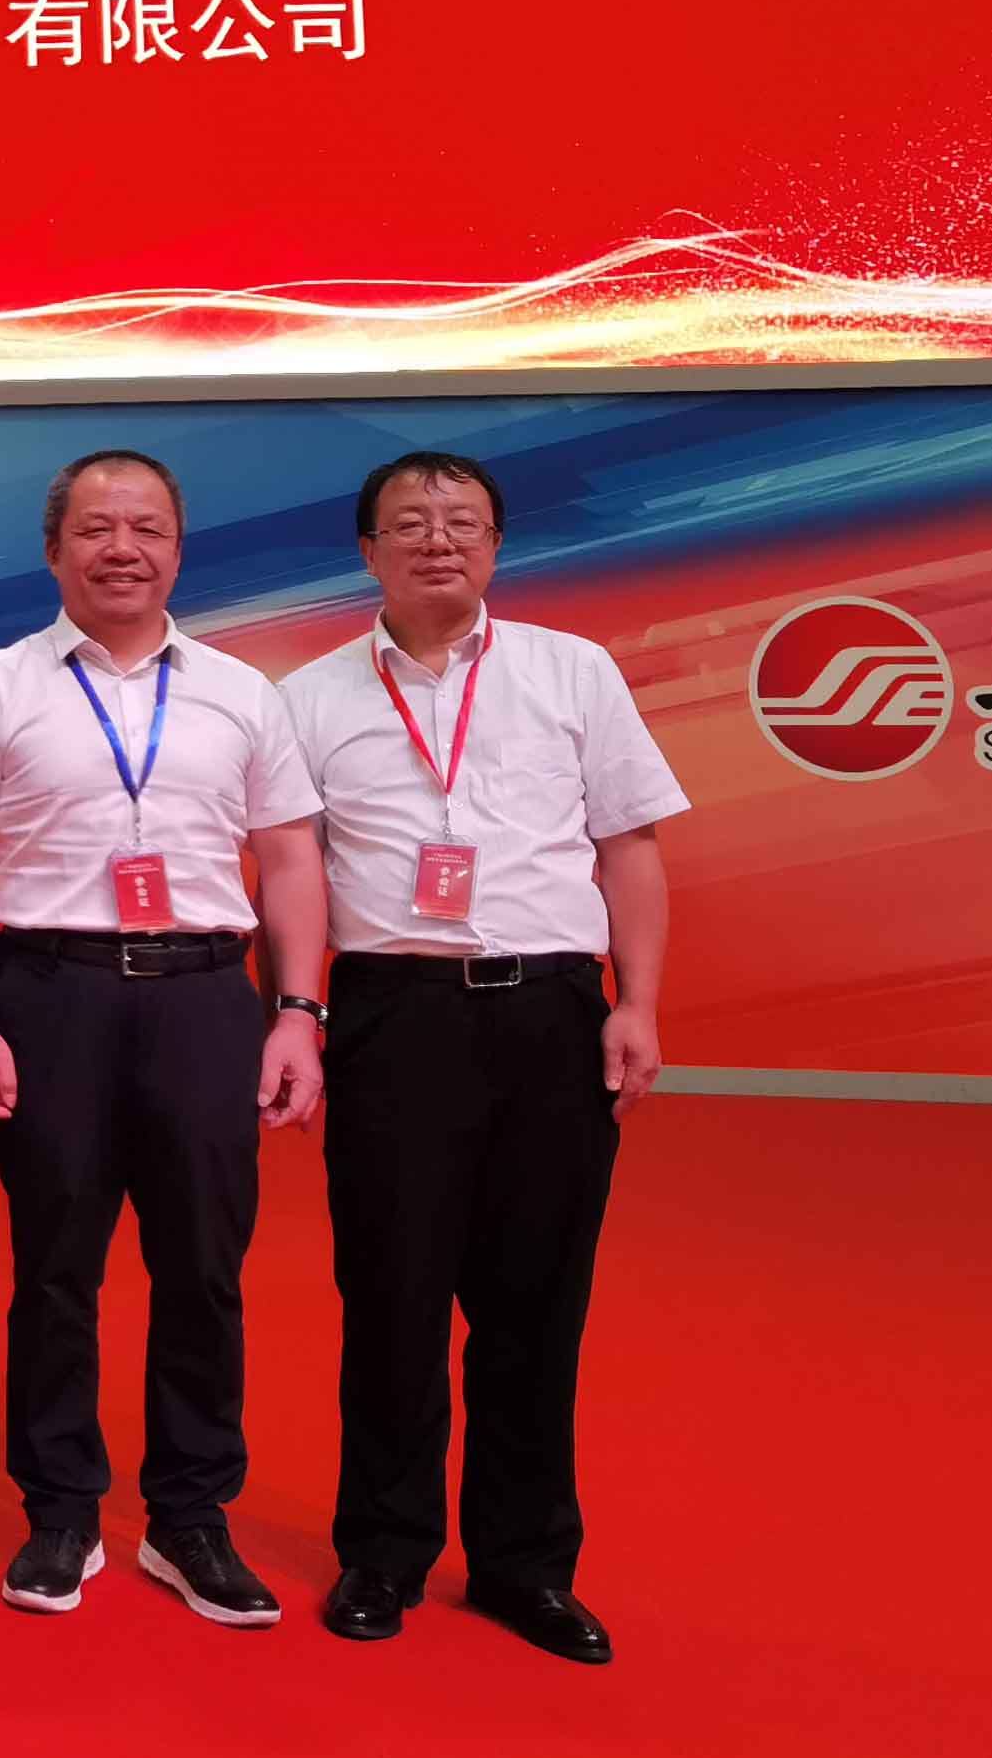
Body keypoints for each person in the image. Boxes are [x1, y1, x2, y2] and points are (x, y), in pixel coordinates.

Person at [277, 451, 687, 1665]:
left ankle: (525, 1565)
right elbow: (290, 875)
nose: (438, 540)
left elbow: (628, 846)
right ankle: (383, 1551)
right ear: (368, 551)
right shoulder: (306, 696)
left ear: (498, 544)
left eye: (462, 520)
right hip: (393, 1016)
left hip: (550, 1013)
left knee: (536, 1304)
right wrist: (296, 1013)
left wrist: (638, 1002)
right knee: (391, 1299)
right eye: (410, 522)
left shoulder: (575, 669)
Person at [0, 449, 329, 1625]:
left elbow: (290, 857)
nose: (122, 549)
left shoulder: (243, 691)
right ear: (55, 550)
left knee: (203, 1265)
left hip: (205, 995)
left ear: (178, 551)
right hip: (55, 992)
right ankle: (60, 1511)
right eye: (96, 527)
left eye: (146, 528)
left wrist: (297, 1012)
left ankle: (191, 1518)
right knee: (56, 1266)